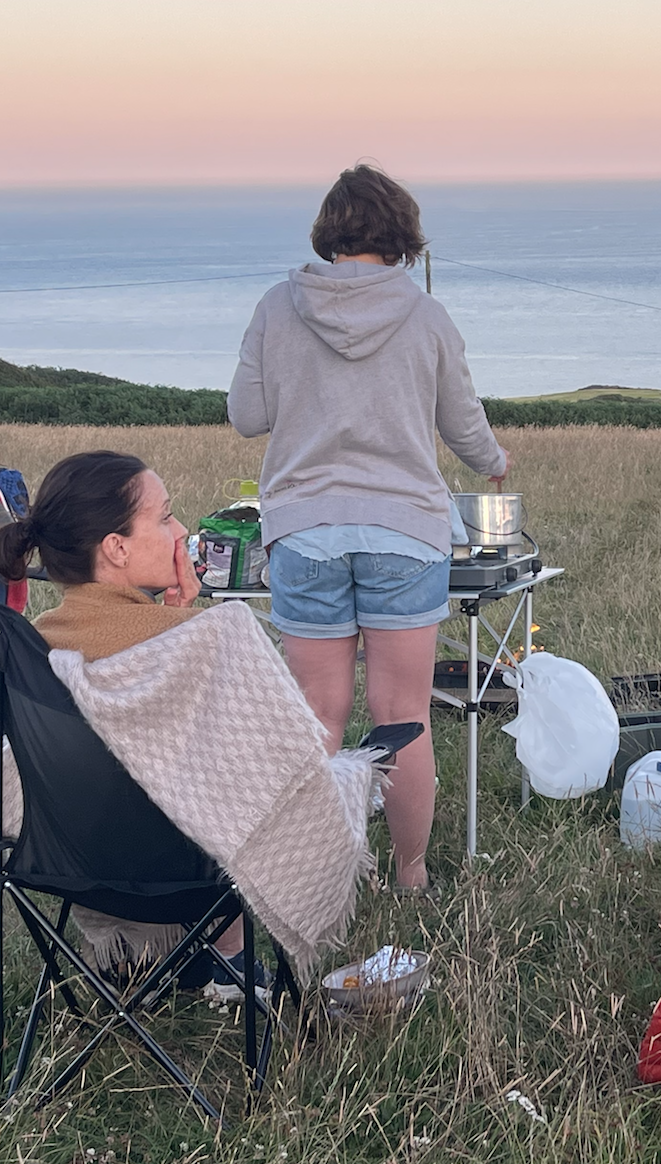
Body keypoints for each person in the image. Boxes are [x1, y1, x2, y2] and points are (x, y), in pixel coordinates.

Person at [228, 164, 508, 893]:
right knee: (403, 715)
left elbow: (246, 417)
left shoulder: (275, 306)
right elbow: (463, 423)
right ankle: (410, 876)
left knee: (321, 715)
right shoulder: (426, 315)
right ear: (402, 237)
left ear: (330, 232)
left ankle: (314, 877)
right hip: (404, 534)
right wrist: (494, 462)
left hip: (304, 531)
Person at [0, 449, 256, 984]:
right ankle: (229, 959)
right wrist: (191, 623)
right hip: (188, 875)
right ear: (116, 548)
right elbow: (258, 760)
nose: (181, 531)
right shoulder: (208, 638)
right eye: (165, 517)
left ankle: (134, 959)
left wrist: (175, 617)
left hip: (70, 866)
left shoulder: (35, 645)